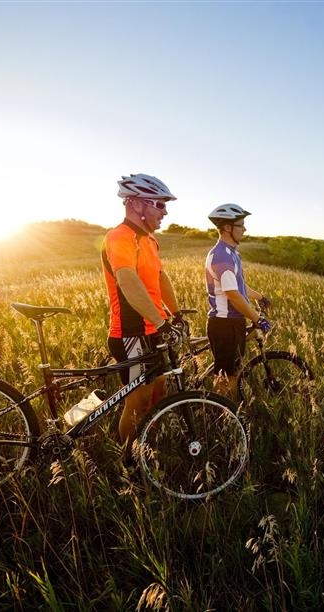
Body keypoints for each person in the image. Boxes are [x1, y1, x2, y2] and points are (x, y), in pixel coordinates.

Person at [102, 173, 185, 461]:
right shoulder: (119, 237)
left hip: (154, 329)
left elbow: (161, 278)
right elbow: (127, 280)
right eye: (159, 205)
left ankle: (147, 448)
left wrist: (175, 314)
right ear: (137, 204)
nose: (165, 212)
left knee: (158, 391)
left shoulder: (149, 240)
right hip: (131, 332)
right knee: (136, 403)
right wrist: (161, 323)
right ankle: (129, 462)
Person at [204, 204, 271, 401]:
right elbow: (232, 294)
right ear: (227, 228)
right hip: (225, 323)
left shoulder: (231, 253)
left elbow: (239, 285)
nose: (245, 229)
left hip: (232, 322)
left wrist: (260, 297)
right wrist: (258, 319)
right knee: (225, 378)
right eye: (241, 225)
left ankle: (226, 410)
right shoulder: (222, 256)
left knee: (232, 372)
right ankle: (220, 412)